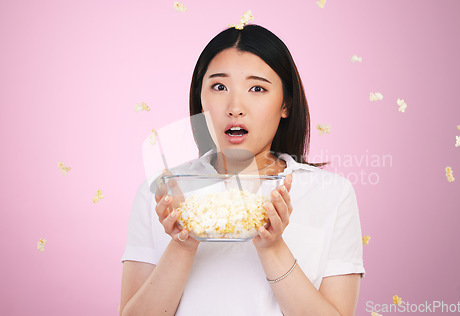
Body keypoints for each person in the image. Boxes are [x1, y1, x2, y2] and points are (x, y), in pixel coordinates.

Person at [120, 24, 365, 316]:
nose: (235, 107)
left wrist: (272, 247)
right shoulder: (162, 193)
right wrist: (182, 244)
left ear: (286, 103)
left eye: (257, 88)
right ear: (201, 97)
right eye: (219, 87)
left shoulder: (331, 193)